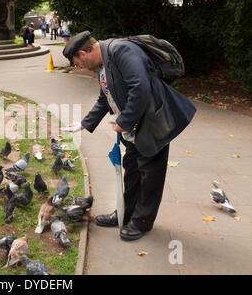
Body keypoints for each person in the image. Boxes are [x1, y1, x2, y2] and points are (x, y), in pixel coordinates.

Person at [61, 31, 196, 241]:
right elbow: (104, 96)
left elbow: (139, 88)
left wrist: (123, 122)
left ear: (82, 53)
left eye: (77, 62)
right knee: (132, 170)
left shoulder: (122, 50)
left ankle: (142, 221)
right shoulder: (103, 65)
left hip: (153, 125)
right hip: (134, 129)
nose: (79, 66)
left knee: (150, 175)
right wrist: (84, 124)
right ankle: (125, 212)